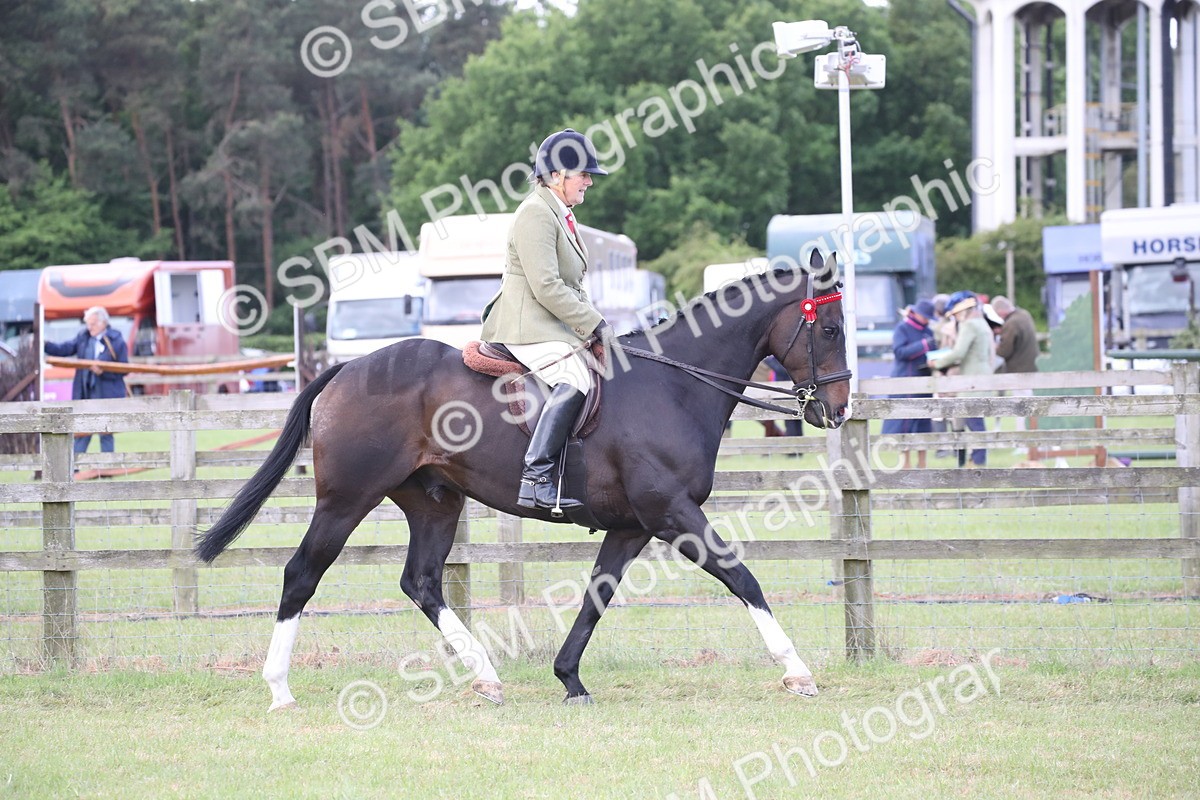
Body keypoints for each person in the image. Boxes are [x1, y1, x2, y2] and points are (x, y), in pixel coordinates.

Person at [480, 129, 609, 511]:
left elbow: (573, 284)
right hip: (525, 324)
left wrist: (591, 326)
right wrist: (594, 323)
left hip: (550, 325)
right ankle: (535, 476)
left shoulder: (561, 214)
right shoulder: (535, 213)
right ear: (556, 175)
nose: (588, 181)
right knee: (574, 377)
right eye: (583, 174)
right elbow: (547, 286)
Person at [44, 306, 129, 454]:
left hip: (107, 394)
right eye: (88, 323)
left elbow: (124, 368)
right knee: (82, 431)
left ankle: (107, 468)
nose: (90, 327)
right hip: (85, 393)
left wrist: (104, 370)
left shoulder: (116, 340)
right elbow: (65, 349)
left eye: (93, 323)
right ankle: (74, 469)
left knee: (106, 432)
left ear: (103, 323)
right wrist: (46, 345)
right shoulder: (83, 337)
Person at [928, 291, 993, 466]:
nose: (956, 317)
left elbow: (959, 352)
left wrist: (938, 363)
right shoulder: (981, 323)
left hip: (971, 379)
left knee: (974, 421)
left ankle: (978, 462)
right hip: (983, 375)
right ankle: (976, 460)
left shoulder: (969, 325)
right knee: (976, 421)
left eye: (956, 313)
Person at [881, 299, 937, 468]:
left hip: (924, 381)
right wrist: (923, 345)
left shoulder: (928, 331)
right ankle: (905, 464)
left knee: (923, 422)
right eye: (925, 317)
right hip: (904, 381)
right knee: (904, 423)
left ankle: (922, 464)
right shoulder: (902, 328)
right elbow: (900, 352)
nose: (927, 320)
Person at [991, 296, 1039, 373]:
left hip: (1019, 370)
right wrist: (1003, 331)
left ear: (1000, 311)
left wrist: (994, 346)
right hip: (1032, 366)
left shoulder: (1011, 324)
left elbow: (1004, 352)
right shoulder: (1024, 314)